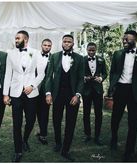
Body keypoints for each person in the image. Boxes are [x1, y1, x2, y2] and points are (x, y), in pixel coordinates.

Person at [3, 30, 44, 162]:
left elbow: (41, 74)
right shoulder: (11, 54)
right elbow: (8, 74)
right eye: (15, 38)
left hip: (31, 93)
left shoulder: (36, 53)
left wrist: (32, 86)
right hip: (15, 93)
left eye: (18, 38)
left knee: (31, 120)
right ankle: (18, 150)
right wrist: (5, 94)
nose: (15, 41)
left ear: (25, 39)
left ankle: (24, 139)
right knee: (17, 123)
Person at [45, 34, 84, 162]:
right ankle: (58, 142)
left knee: (71, 122)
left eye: (69, 42)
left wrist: (77, 95)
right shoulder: (54, 56)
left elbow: (80, 79)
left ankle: (66, 149)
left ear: (73, 44)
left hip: (72, 95)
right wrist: (48, 93)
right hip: (58, 94)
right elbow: (49, 76)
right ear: (62, 43)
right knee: (56, 119)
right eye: (65, 41)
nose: (67, 43)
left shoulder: (79, 58)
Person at [108, 30, 137, 162]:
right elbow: (113, 72)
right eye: (124, 39)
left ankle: (129, 150)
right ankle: (114, 138)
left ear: (135, 40)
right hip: (120, 89)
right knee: (115, 118)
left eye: (128, 39)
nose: (124, 41)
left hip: (135, 92)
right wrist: (112, 87)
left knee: (133, 122)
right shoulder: (117, 53)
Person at [82, 42, 107, 146]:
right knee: (86, 113)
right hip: (86, 90)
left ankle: (97, 136)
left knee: (98, 114)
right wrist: (84, 78)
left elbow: (105, 73)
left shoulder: (101, 59)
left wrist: (101, 78)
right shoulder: (82, 59)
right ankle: (88, 135)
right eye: (89, 50)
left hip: (97, 90)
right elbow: (78, 73)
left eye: (93, 50)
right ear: (86, 50)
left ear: (96, 50)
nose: (91, 52)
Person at [36, 38, 52, 145]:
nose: (46, 47)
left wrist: (49, 92)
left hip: (46, 89)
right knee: (35, 111)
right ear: (41, 45)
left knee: (45, 112)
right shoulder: (35, 55)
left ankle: (43, 135)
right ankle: (40, 130)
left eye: (49, 45)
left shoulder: (53, 58)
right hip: (34, 88)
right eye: (45, 45)